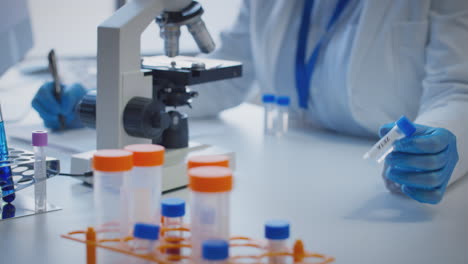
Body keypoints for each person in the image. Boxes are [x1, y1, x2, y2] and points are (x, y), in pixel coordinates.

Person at [32, 0, 468, 204]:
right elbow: (222, 78)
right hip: (291, 174)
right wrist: (98, 96)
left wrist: (446, 138)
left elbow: (457, 89)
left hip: (375, 177)